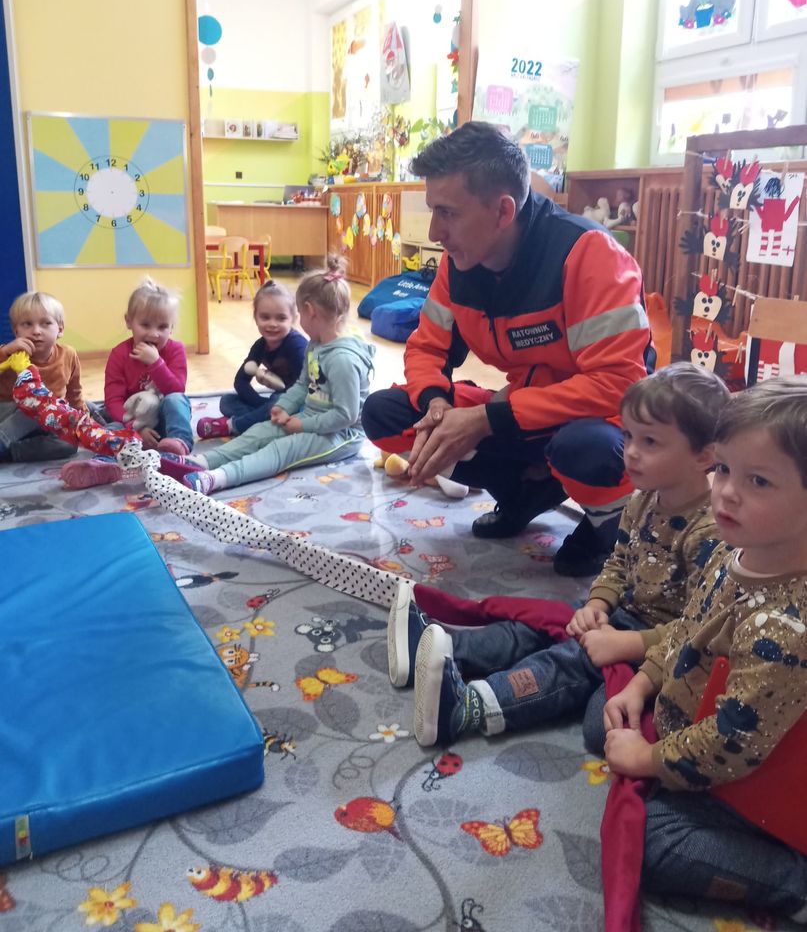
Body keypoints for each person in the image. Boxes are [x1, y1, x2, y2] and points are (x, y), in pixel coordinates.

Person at [362, 121, 654, 577]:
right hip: (524, 409)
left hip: (603, 420)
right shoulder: (458, 264)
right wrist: (436, 405)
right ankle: (525, 493)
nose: (435, 231)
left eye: (447, 213)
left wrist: (486, 418)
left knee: (586, 450)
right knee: (387, 414)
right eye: (433, 211)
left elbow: (619, 386)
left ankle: (607, 527)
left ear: (503, 211)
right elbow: (426, 350)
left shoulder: (590, 255)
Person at [393, 363, 729, 747]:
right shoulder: (643, 500)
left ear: (704, 455)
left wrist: (627, 645)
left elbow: (701, 630)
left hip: (663, 650)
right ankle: (444, 649)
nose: (631, 452)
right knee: (537, 626)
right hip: (622, 616)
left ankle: (469, 708)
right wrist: (598, 604)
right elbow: (619, 562)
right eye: (628, 436)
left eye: (650, 442)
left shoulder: (713, 533)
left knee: (574, 665)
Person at [601, 376, 807, 922]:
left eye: (758, 481)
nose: (726, 492)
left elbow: (734, 743)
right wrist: (642, 682)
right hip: (705, 729)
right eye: (724, 469)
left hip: (761, 782)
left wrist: (647, 759)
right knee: (605, 727)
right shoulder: (731, 551)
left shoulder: (785, 627)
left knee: (653, 843)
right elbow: (688, 629)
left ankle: (796, 885)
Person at [161, 255, 375, 496]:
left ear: (309, 311)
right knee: (260, 432)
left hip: (341, 434)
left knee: (282, 449)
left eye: (299, 314)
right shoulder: (315, 345)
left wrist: (302, 425)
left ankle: (215, 478)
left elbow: (346, 416)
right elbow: (302, 385)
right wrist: (283, 406)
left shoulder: (342, 360)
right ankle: (201, 462)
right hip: (311, 418)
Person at [60, 277, 193, 488]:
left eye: (162, 326)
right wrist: (136, 428)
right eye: (145, 325)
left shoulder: (175, 350)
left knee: (177, 401)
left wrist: (156, 363)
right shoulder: (119, 354)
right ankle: (103, 464)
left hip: (165, 422)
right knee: (110, 428)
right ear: (129, 321)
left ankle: (178, 448)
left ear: (172, 328)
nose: (154, 333)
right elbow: (114, 400)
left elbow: (176, 389)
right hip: (131, 422)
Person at [196, 280, 307, 439]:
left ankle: (232, 426)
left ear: (293, 319)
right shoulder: (260, 346)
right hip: (277, 403)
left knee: (277, 400)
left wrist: (274, 404)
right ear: (255, 317)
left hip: (302, 402)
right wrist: (261, 404)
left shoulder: (297, 346)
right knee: (227, 401)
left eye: (281, 318)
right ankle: (263, 419)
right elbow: (240, 381)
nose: (272, 324)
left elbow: (302, 387)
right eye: (265, 317)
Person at [0, 291, 84, 462]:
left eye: (46, 323)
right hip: (8, 417)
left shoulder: (68, 354)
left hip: (47, 420)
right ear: (16, 331)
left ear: (60, 329)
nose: (36, 331)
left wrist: (82, 420)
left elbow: (74, 393)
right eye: (27, 324)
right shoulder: (9, 353)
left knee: (70, 443)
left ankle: (10, 453)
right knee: (36, 406)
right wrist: (5, 352)